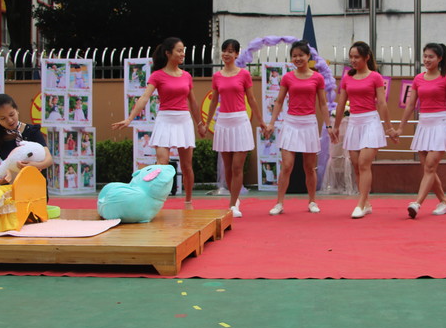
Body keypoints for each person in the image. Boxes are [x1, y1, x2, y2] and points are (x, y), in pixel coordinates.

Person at [112, 37, 207, 209]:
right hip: (165, 120)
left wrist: (200, 123)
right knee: (162, 164)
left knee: (186, 166)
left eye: (183, 50)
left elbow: (193, 102)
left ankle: (188, 201)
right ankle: (156, 203)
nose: (182, 54)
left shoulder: (186, 76)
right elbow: (144, 97)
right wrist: (130, 118)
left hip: (183, 120)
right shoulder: (157, 75)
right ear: (168, 53)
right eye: (179, 50)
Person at [394, 43, 446, 219]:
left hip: (440, 123)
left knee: (430, 166)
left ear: (440, 58)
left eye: (431, 56)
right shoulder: (418, 79)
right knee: (428, 168)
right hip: (424, 124)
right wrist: (401, 127)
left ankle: (417, 203)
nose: (427, 59)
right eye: (425, 56)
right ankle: (444, 202)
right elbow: (411, 105)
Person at [263, 40, 331, 215]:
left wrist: (329, 125)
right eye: (294, 56)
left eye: (301, 55)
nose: (298, 58)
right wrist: (271, 123)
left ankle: (312, 201)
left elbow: (323, 104)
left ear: (308, 56)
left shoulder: (317, 78)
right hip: (291, 123)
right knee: (287, 166)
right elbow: (279, 101)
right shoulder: (287, 77)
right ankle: (279, 203)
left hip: (309, 123)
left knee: (309, 167)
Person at [329, 41, 395, 218]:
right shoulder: (347, 78)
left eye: (356, 57)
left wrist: (389, 127)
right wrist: (336, 127)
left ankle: (360, 204)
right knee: (357, 166)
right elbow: (341, 103)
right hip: (354, 122)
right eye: (351, 57)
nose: (353, 60)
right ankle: (366, 203)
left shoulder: (375, 77)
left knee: (364, 163)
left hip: (371, 122)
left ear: (366, 57)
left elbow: (382, 103)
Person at [205, 39, 266, 218]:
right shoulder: (217, 76)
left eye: (231, 51)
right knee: (228, 167)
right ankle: (235, 198)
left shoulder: (244, 74)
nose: (227, 54)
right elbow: (214, 101)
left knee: (237, 167)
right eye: (225, 50)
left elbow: (252, 99)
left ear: (237, 54)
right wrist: (207, 123)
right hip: (223, 122)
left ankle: (232, 204)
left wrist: (261, 121)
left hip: (240, 121)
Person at [0, 94, 54, 193]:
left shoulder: (32, 131)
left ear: (17, 110)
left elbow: (49, 160)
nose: (10, 120)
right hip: (11, 190)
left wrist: (34, 165)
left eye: (11, 114)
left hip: (36, 188)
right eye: (3, 118)